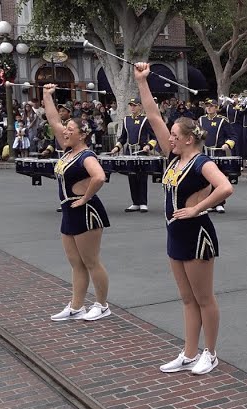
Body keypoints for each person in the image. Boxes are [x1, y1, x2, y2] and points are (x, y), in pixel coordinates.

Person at [134, 62, 234, 376]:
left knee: (204, 298)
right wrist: (142, 81)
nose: (171, 138)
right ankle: (189, 353)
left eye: (176, 135)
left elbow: (225, 187)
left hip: (196, 233)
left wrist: (197, 208)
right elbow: (152, 116)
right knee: (187, 298)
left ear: (189, 138)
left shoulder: (201, 162)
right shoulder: (174, 158)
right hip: (174, 234)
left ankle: (211, 352)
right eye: (172, 135)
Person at [41, 83, 110, 323]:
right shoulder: (68, 151)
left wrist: (85, 198)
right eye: (66, 129)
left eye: (71, 129)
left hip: (86, 211)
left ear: (82, 134)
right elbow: (53, 120)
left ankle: (102, 305)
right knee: (76, 263)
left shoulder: (85, 155)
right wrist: (47, 96)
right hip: (69, 210)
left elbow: (99, 176)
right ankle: (76, 305)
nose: (66, 131)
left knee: (91, 261)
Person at [110, 98, 157, 212]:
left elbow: (154, 137)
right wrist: (116, 148)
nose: (132, 107)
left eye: (135, 105)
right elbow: (123, 138)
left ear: (140, 106)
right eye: (131, 105)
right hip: (129, 153)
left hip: (141, 151)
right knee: (131, 177)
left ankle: (143, 203)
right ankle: (135, 202)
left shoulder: (145, 119)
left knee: (142, 177)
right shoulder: (126, 120)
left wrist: (149, 146)